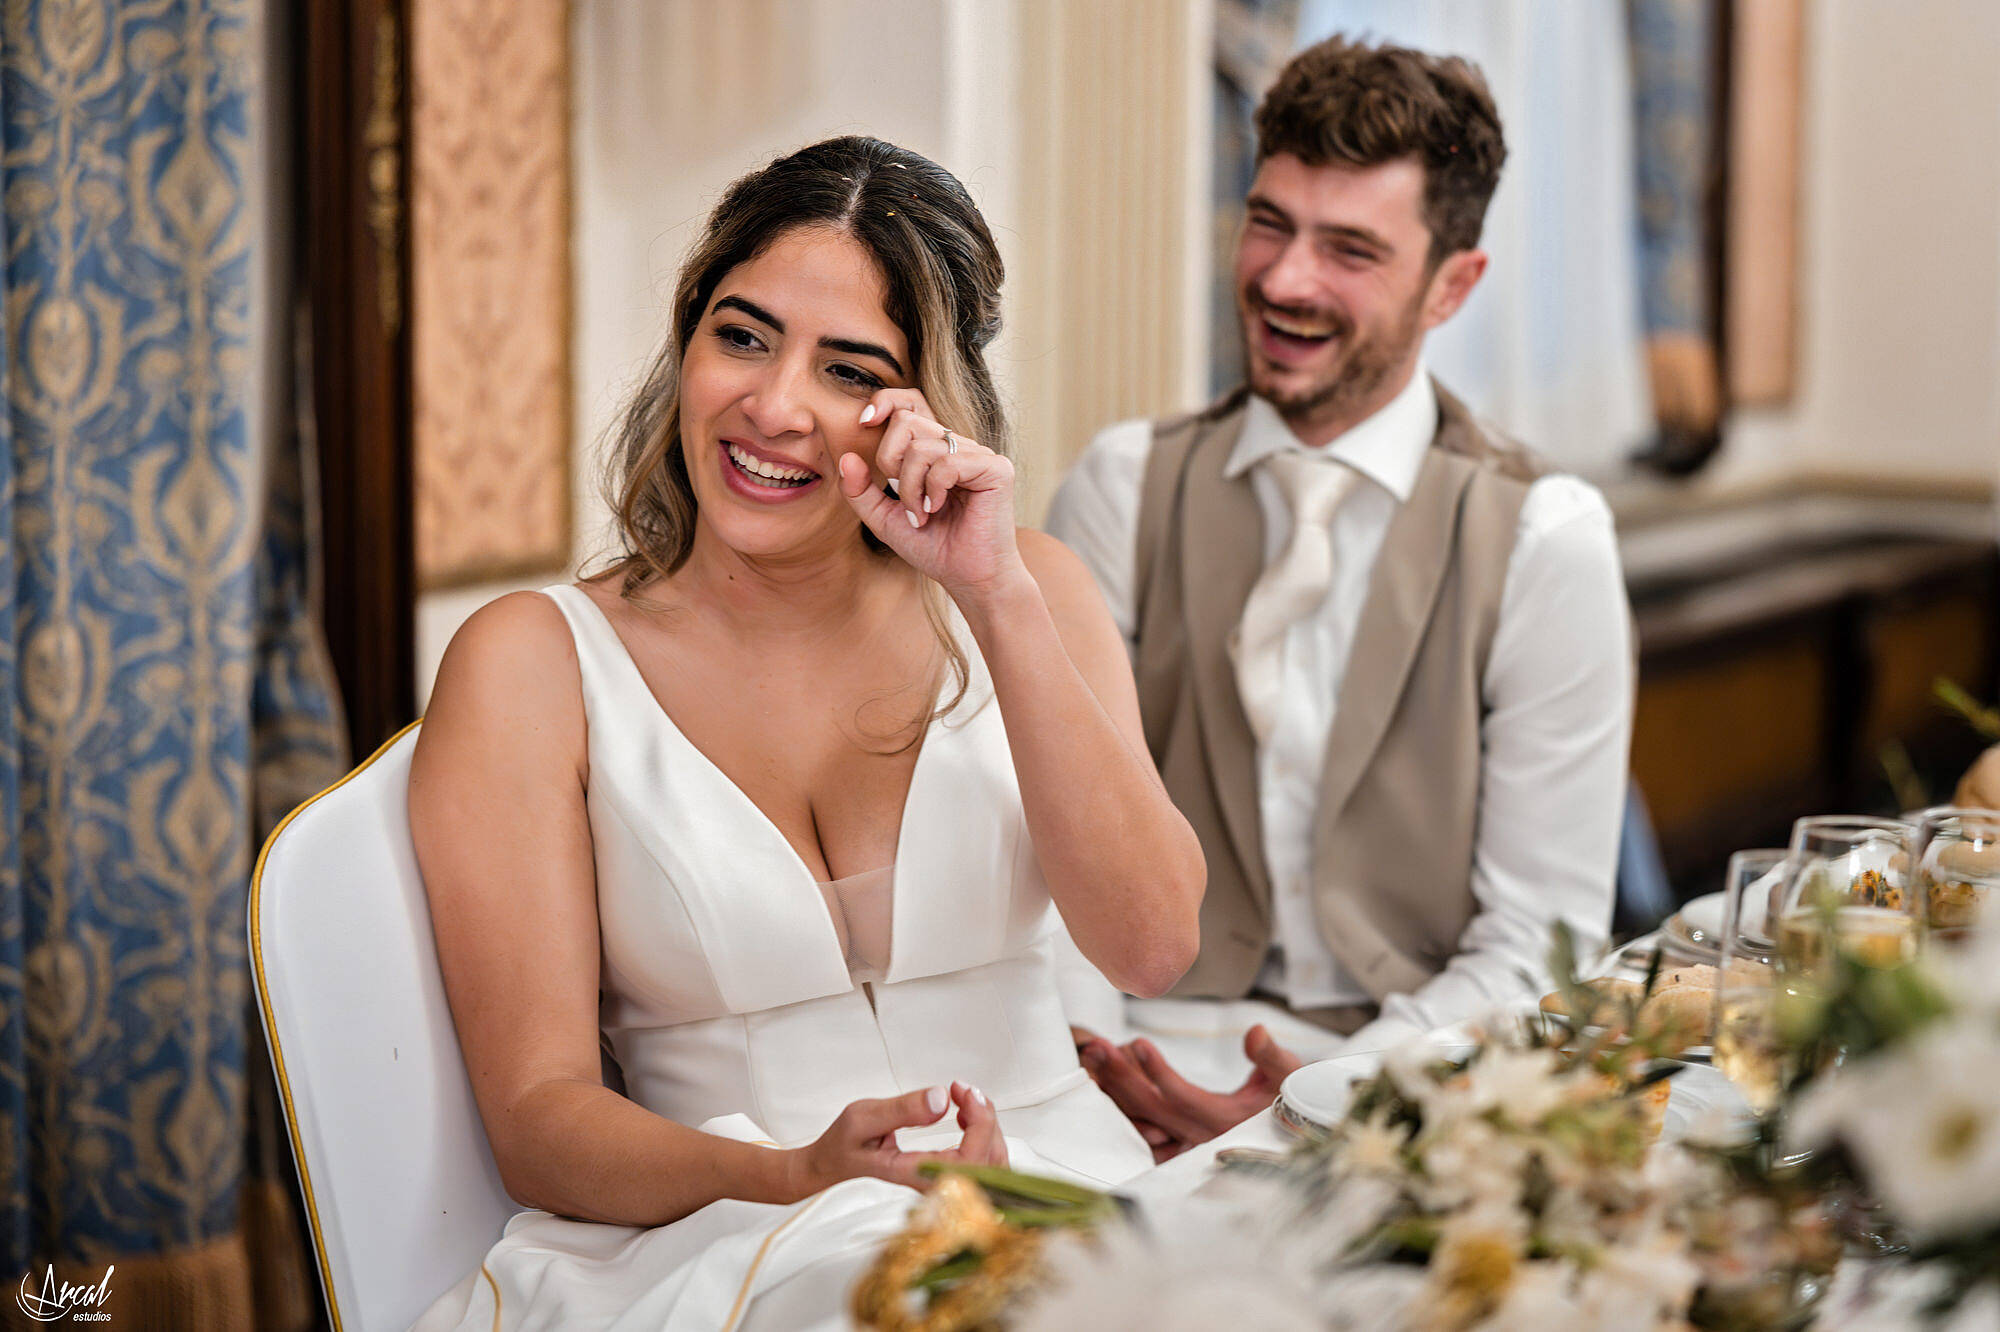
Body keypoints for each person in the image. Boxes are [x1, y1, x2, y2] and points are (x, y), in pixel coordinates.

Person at [406, 136, 1203, 1330]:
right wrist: (790, 1177)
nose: (773, 407)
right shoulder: (531, 663)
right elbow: (537, 1119)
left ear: (926, 405)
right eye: (741, 337)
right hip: (729, 1235)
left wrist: (993, 594)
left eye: (848, 369)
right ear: (686, 340)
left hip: (1060, 1194)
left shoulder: (1026, 591)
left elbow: (1150, 947)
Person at [1046, 35, 1634, 1160]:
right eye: (1269, 223)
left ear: (1452, 286)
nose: (1283, 279)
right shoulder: (1121, 488)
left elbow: (1533, 943)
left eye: (1350, 249)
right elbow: (1049, 852)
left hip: (1411, 1080)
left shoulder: (1545, 540)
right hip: (1123, 1071)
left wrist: (1327, 1104)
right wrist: (1097, 1081)